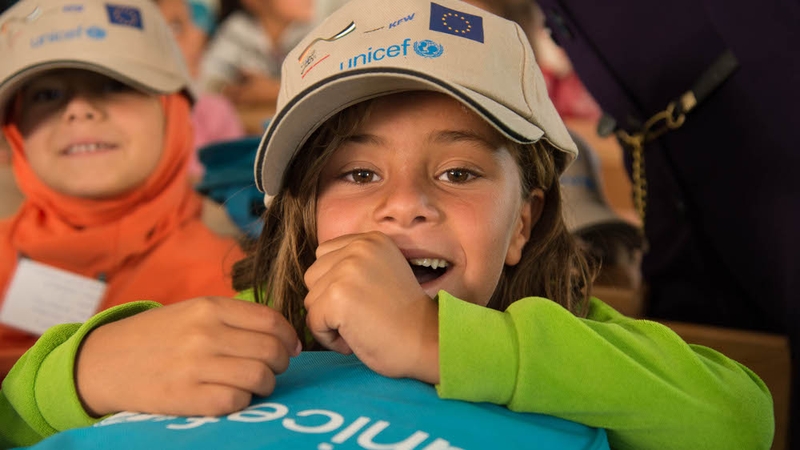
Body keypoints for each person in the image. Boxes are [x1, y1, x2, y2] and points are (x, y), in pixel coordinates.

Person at [0, 1, 774, 449]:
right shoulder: (251, 328)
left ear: (522, 223)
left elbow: (738, 419)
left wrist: (437, 339)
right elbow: (17, 419)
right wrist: (85, 368)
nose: (404, 205)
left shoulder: (560, 344)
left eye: (458, 173)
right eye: (358, 174)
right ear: (304, 215)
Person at [0, 0, 245, 378]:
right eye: (46, 95)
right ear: (15, 132)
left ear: (174, 109)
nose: (79, 109)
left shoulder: (242, 278)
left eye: (115, 85)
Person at [154, 0, 245, 181]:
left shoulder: (214, 110)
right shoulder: (132, 116)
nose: (197, 35)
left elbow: (238, 180)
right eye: (175, 27)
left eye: (195, 22)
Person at [199, 0, 315, 122]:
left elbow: (320, 86)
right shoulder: (238, 30)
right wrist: (234, 91)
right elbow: (206, 80)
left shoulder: (313, 34)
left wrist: (273, 91)